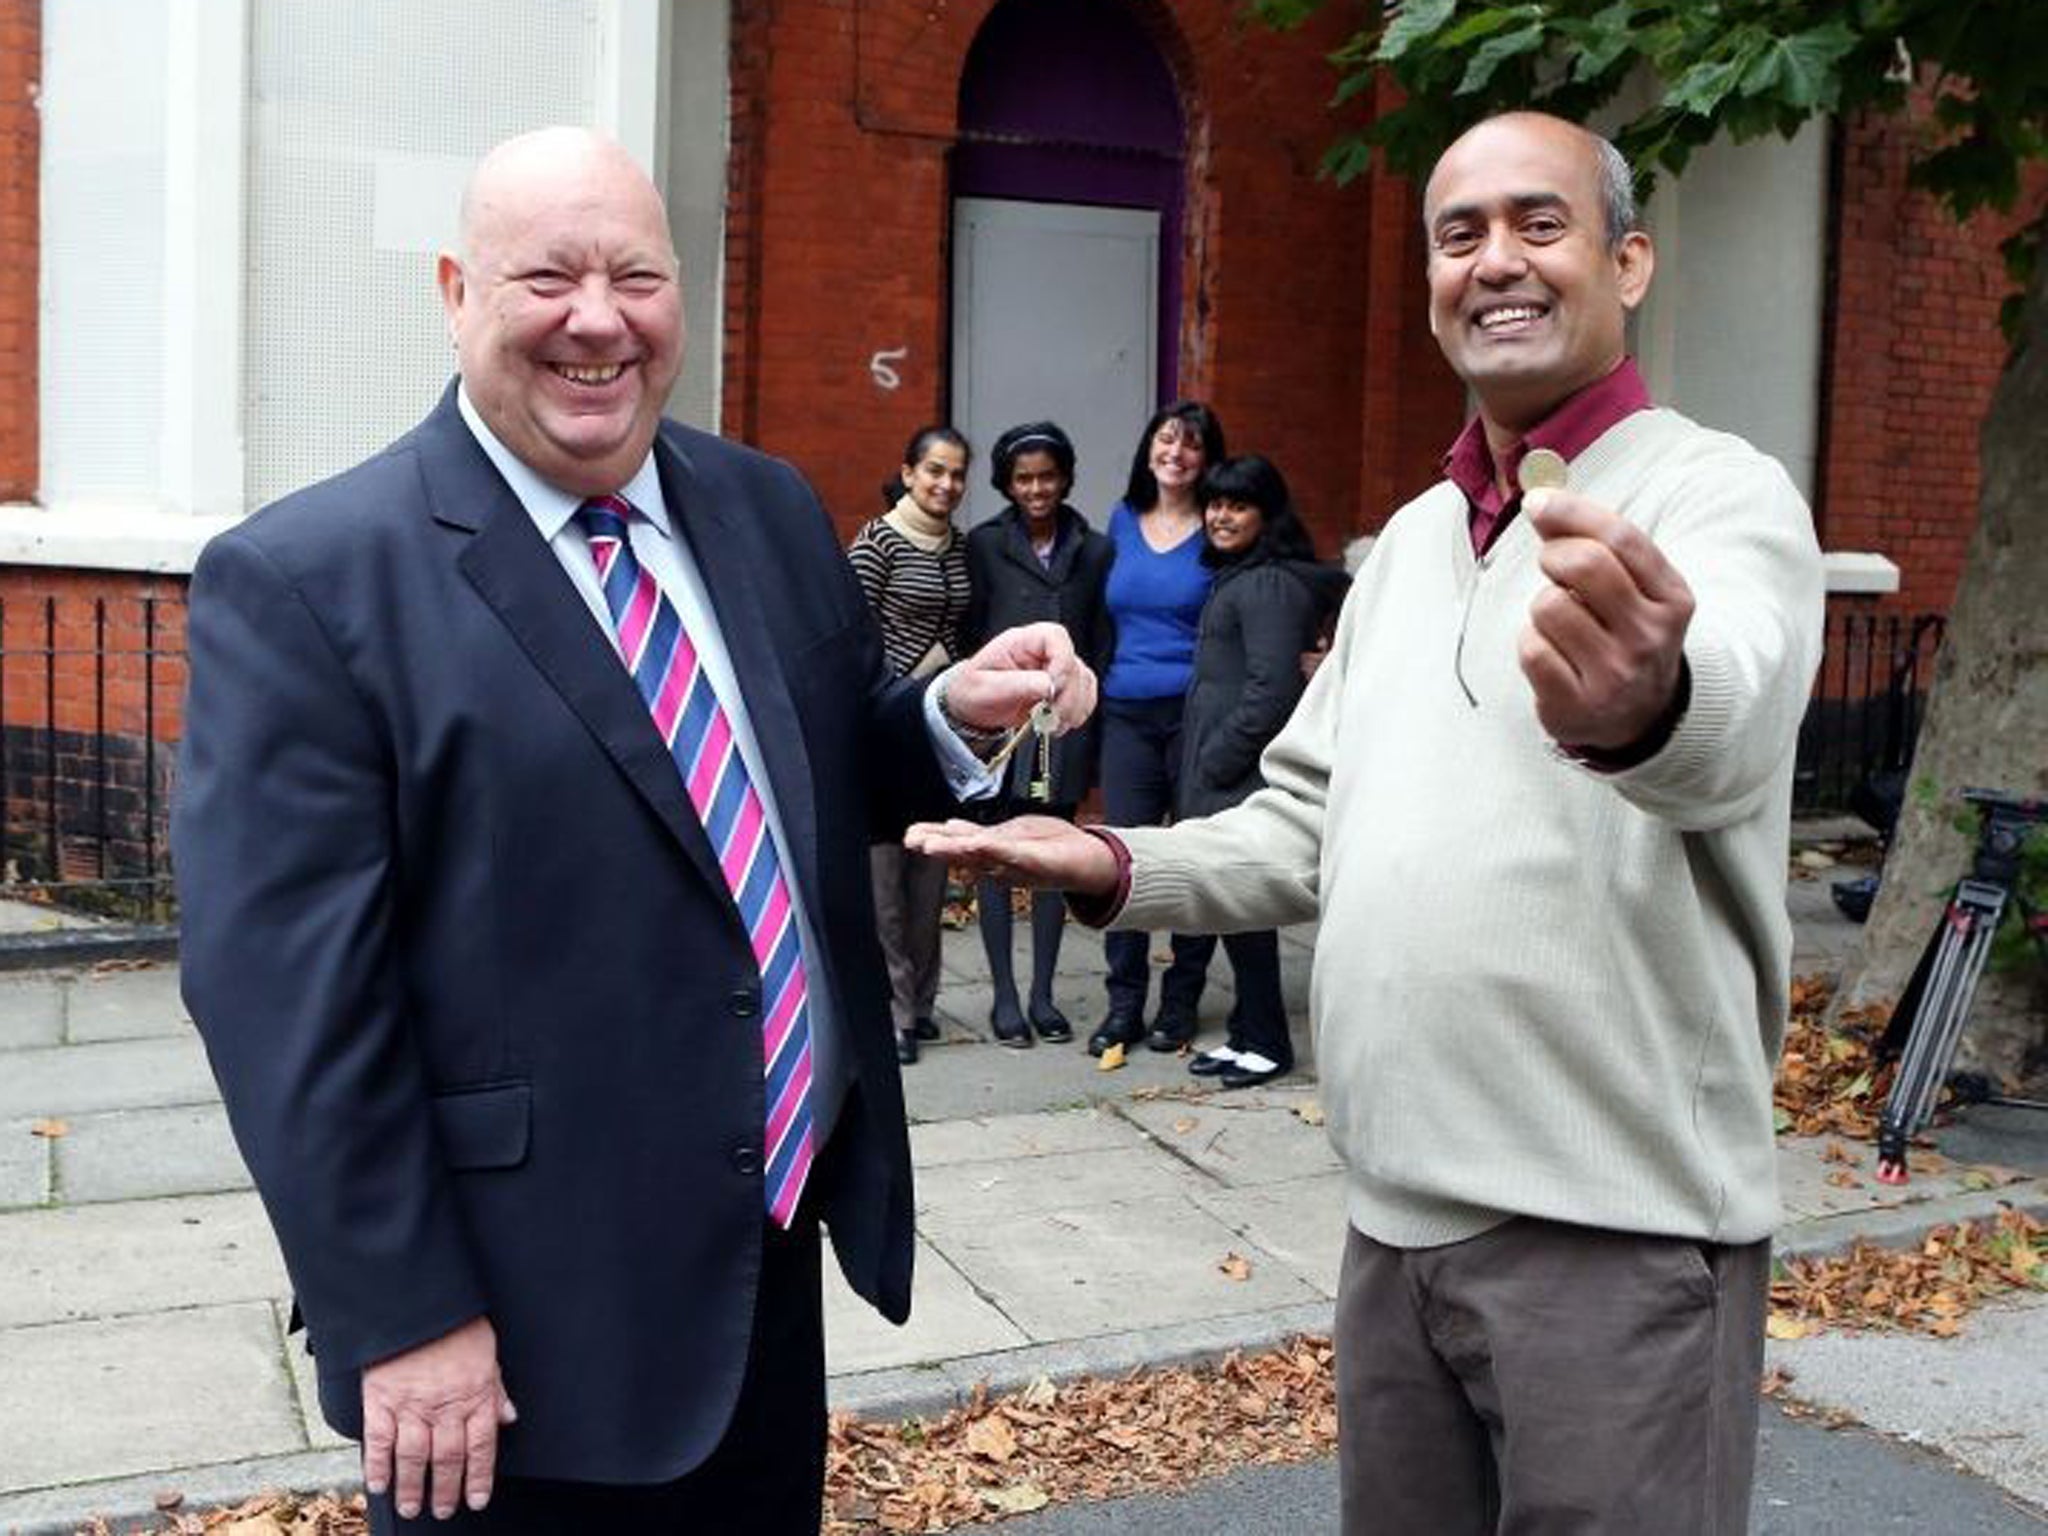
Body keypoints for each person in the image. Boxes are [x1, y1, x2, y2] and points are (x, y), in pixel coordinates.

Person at [910, 111, 1824, 1533]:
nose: (1495, 262)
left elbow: (1730, 717)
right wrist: (1111, 861)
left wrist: (1648, 697)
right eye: (1459, 234)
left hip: (1615, 1245)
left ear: (1629, 261)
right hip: (1392, 1229)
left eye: (1540, 223)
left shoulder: (1717, 496)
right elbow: (1300, 830)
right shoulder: (1402, 547)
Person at [171, 127, 1093, 1535]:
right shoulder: (309, 582)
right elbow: (283, 999)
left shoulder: (765, 507)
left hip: (761, 1268)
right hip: (517, 1337)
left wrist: (952, 715)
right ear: (454, 293)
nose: (597, 319)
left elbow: (814, 770)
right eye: (547, 276)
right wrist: (403, 1311)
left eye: (636, 276)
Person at [1177, 455, 1347, 1089]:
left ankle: (1268, 1042)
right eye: (1214, 504)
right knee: (1231, 911)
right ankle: (1248, 1033)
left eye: (1237, 505)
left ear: (1266, 515)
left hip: (1239, 772)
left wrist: (1218, 756)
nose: (1221, 516)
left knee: (1244, 909)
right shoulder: (1239, 577)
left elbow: (1270, 689)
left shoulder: (1269, 584)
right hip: (1214, 767)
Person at [962, 422, 1116, 1047]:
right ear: (1006, 483)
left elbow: (1103, 638)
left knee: (1054, 850)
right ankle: (1004, 998)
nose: (1036, 489)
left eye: (1047, 476)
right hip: (1002, 721)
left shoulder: (1097, 549)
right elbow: (971, 627)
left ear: (1066, 477)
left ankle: (1045, 996)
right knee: (997, 850)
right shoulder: (983, 544)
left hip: (1063, 726)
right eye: (1024, 478)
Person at [1090, 400, 1227, 1058]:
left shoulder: (1220, 527)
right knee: (1124, 863)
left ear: (1208, 458)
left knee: (1191, 857)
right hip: (1125, 714)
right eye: (1167, 440)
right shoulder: (1120, 522)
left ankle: (1179, 1004)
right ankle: (1123, 1006)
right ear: (1149, 449)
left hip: (1194, 717)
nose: (1176, 452)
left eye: (1192, 444)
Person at [847, 425, 974, 1066]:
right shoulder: (877, 543)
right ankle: (893, 1012)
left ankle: (923, 1006)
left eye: (956, 474)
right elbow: (851, 636)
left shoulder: (960, 547)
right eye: (934, 471)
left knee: (931, 875)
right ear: (907, 472)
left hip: (938, 729)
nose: (946, 485)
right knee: (884, 883)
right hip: (883, 725)